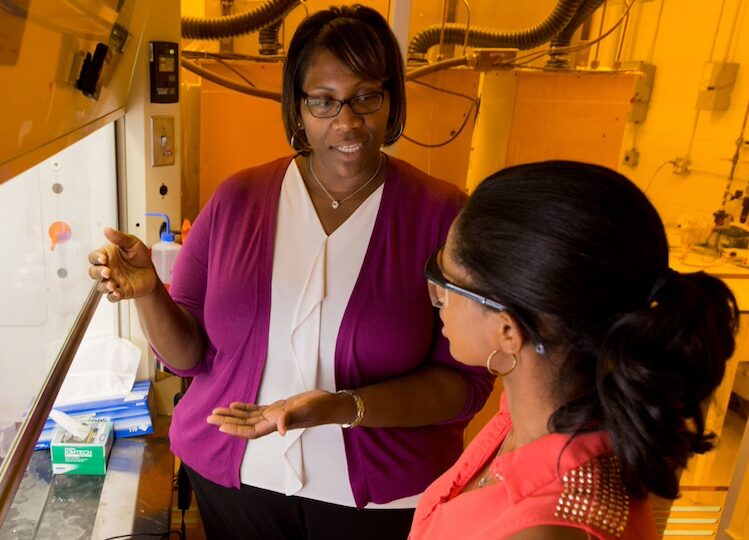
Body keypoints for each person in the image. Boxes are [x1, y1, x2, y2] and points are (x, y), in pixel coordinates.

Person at [88, 5, 493, 539]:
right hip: (237, 481)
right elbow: (187, 357)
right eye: (323, 101)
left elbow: (464, 382)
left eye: (366, 97)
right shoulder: (238, 200)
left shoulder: (441, 214)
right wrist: (148, 294)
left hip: (379, 499)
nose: (346, 122)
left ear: (391, 98)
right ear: (297, 107)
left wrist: (345, 407)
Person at [409, 161, 739, 539]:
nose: (436, 295)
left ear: (507, 330)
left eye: (446, 280)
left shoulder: (543, 531)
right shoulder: (536, 415)